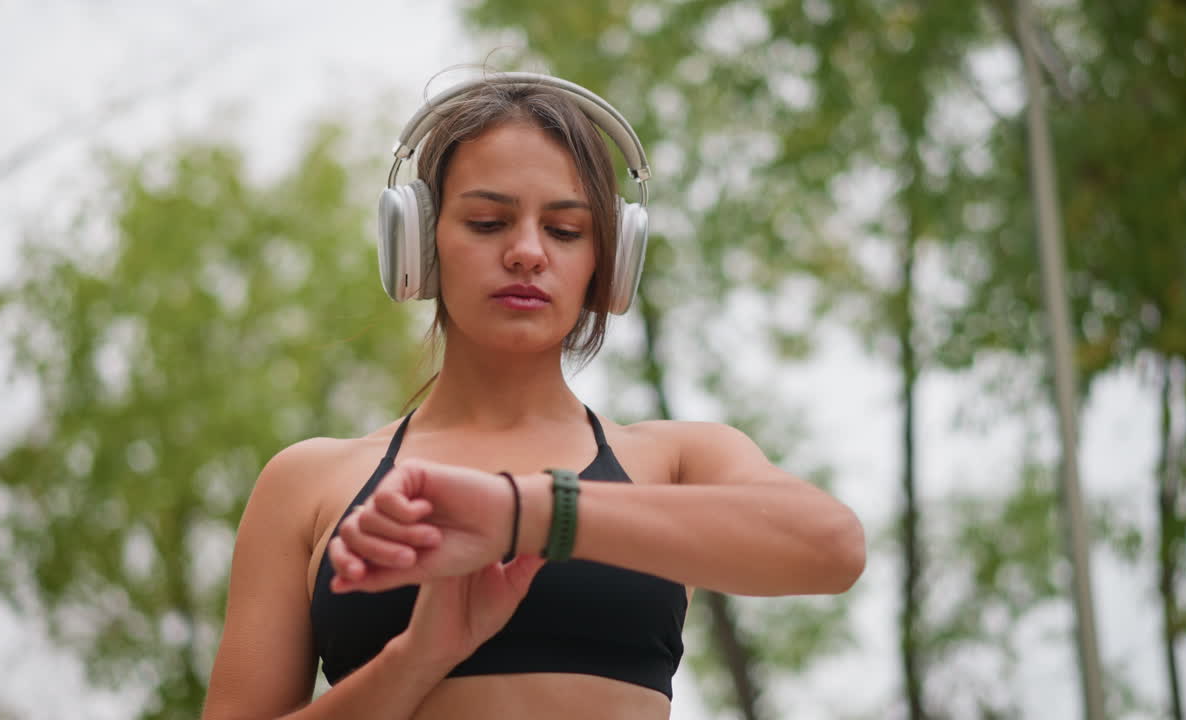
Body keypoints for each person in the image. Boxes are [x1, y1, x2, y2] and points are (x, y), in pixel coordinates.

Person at [201, 72, 865, 720]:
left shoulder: (674, 460)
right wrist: (416, 657)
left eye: (566, 230)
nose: (526, 252)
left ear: (608, 262)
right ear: (419, 243)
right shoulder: (308, 482)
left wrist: (528, 514)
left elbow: (833, 548)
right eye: (488, 222)